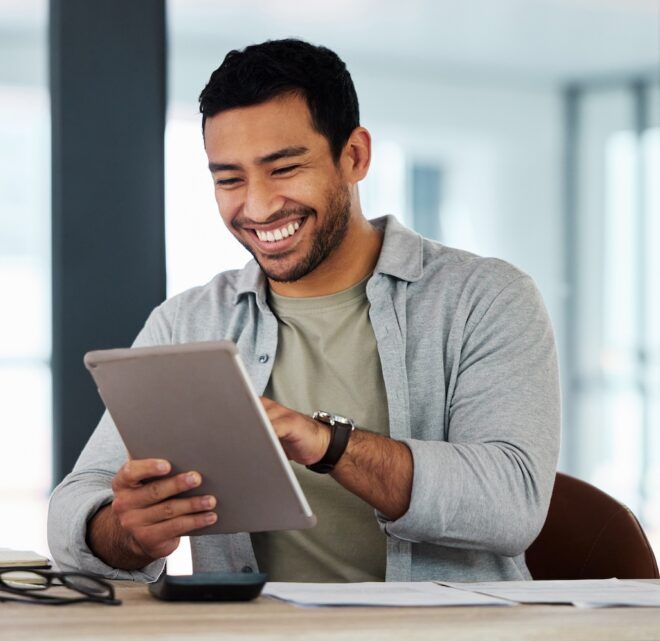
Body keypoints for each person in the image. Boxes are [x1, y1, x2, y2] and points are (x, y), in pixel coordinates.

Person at [48, 38, 560, 583]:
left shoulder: (486, 298)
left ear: (355, 156)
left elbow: (512, 503)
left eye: (284, 168)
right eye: (229, 179)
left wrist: (328, 443)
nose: (259, 206)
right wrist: (126, 532)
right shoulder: (188, 321)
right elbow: (74, 505)